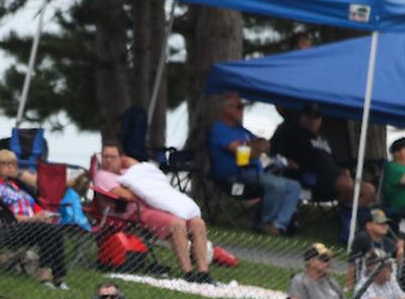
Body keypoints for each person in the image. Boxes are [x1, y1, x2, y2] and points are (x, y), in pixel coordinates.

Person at [95, 140, 211, 282]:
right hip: (136, 213)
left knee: (197, 223)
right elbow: (127, 196)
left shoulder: (131, 172)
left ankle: (203, 272)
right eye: (105, 156)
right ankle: (188, 272)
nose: (108, 160)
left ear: (121, 158)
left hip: (158, 206)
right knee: (177, 223)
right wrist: (144, 191)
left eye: (112, 157)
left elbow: (143, 170)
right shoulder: (103, 176)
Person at [207, 93, 301, 235]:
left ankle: (278, 225)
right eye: (239, 106)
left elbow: (265, 144)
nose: (242, 110)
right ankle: (264, 224)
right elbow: (241, 152)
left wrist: (251, 147)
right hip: (235, 176)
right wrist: (254, 148)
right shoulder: (219, 129)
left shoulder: (241, 130)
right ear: (226, 109)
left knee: (294, 186)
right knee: (276, 185)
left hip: (254, 174)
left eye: (243, 106)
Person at [269, 103, 369, 234]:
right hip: (314, 180)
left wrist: (343, 171)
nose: (313, 121)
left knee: (368, 190)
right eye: (309, 117)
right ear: (303, 117)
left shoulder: (323, 138)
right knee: (347, 186)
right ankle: (346, 227)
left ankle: (347, 217)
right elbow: (276, 153)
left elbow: (334, 160)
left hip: (334, 177)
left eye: (317, 117)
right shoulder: (292, 133)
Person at [0, 151, 69, 290]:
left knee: (54, 227)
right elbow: (4, 215)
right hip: (6, 228)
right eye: (5, 164)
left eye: (13, 164)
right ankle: (48, 274)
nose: (10, 168)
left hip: (30, 225)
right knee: (47, 229)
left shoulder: (20, 187)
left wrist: (45, 216)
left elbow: (37, 208)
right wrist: (33, 219)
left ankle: (57, 277)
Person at [347, 208, 402, 285]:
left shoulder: (390, 243)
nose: (384, 226)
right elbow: (352, 263)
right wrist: (348, 285)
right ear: (368, 225)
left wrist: (400, 251)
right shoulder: (362, 239)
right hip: (365, 281)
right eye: (380, 223)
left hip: (385, 281)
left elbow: (397, 267)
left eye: (385, 223)